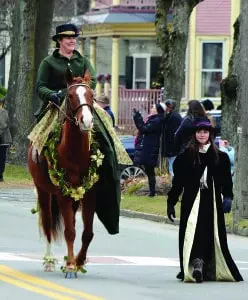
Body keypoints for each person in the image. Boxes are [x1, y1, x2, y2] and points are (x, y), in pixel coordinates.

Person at [167, 117, 243, 283]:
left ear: (210, 134)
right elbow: (178, 182)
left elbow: (226, 181)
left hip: (212, 200)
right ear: (194, 134)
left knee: (210, 232)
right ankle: (196, 263)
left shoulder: (220, 157)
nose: (202, 135)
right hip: (191, 200)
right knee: (192, 232)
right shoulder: (186, 156)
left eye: (205, 132)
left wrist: (228, 197)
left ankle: (205, 265)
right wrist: (171, 202)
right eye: (199, 132)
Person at [35, 23, 96, 119]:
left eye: (74, 38)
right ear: (59, 40)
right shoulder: (47, 62)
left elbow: (92, 79)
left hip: (82, 103)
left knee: (102, 127)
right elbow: (40, 87)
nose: (72, 41)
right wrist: (51, 94)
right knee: (42, 133)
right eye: (68, 38)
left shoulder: (84, 61)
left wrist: (81, 90)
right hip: (55, 105)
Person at [133, 103, 165, 197]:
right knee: (149, 170)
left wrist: (137, 117)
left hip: (150, 149)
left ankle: (152, 192)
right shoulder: (154, 119)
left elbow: (143, 128)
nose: (151, 108)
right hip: (148, 148)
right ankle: (152, 191)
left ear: (158, 110)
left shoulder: (157, 120)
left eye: (153, 107)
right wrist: (137, 115)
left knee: (150, 170)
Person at [161, 99, 182, 178]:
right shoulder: (172, 115)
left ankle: (175, 186)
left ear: (169, 107)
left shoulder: (173, 117)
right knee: (172, 167)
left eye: (165, 106)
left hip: (173, 148)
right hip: (173, 148)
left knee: (172, 168)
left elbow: (171, 133)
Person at [0, 97, 12, 182]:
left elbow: (3, 125)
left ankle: (0, 175)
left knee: (1, 157)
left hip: (2, 139)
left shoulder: (3, 112)